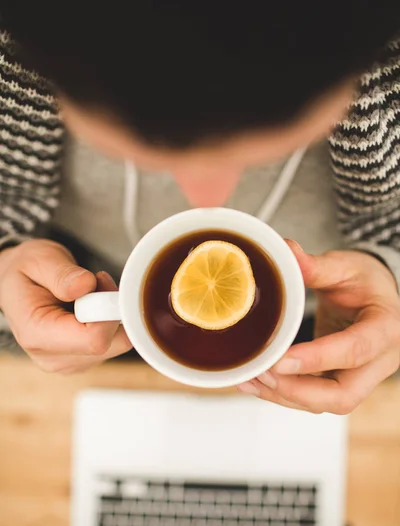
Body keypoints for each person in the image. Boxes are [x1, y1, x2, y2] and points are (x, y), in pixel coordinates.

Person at [0, 1, 399, 415]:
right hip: (92, 334)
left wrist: (393, 282)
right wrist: (6, 267)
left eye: (258, 152)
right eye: (152, 153)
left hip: (327, 328)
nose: (207, 199)